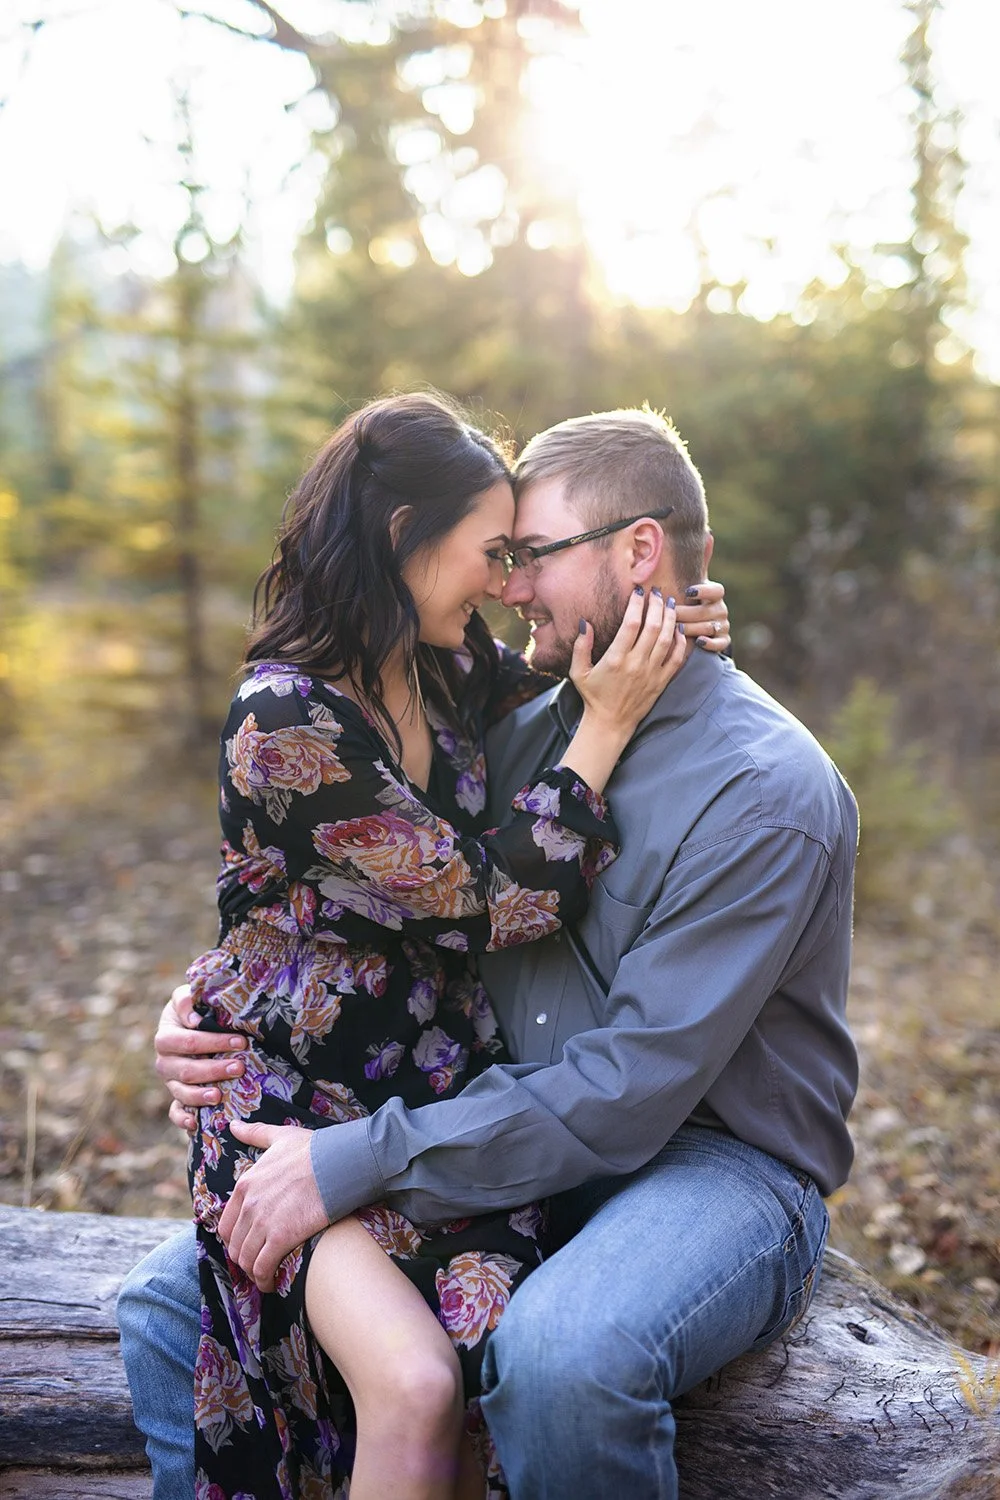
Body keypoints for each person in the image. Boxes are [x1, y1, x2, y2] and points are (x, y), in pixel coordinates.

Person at [119, 404, 853, 1500]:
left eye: (533, 556)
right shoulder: (510, 721)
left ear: (638, 550)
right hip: (498, 1116)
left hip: (712, 1158)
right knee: (171, 1301)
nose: (509, 588)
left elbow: (620, 1094)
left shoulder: (763, 793)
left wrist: (356, 1160)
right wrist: (201, 1011)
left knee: (566, 1355)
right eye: (497, 556)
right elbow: (344, 893)